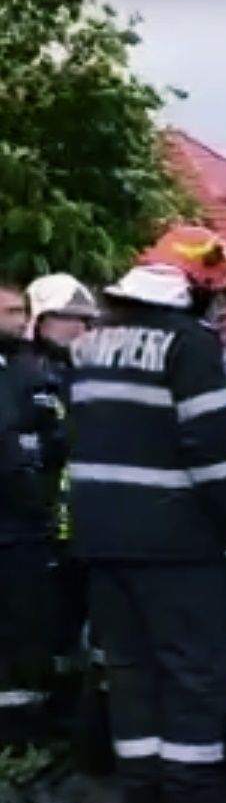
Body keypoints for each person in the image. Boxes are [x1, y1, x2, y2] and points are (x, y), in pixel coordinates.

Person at [68, 225, 226, 803]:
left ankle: (142, 790)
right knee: (191, 667)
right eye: (214, 291)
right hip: (176, 540)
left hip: (100, 538)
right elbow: (215, 452)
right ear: (193, 287)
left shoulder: (92, 342)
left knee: (127, 668)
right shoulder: (190, 346)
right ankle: (192, 791)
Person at [13, 273, 100, 803]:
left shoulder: (77, 373)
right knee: (37, 652)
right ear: (42, 321)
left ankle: (67, 748)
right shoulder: (26, 378)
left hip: (77, 533)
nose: (82, 327)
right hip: (37, 534)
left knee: (72, 653)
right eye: (70, 318)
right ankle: (33, 754)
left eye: (87, 319)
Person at [0, 282, 66, 721]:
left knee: (26, 631)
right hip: (15, 519)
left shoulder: (29, 369)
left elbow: (53, 436)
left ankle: (24, 731)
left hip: (24, 528)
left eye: (21, 310)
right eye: (7, 311)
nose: (18, 319)